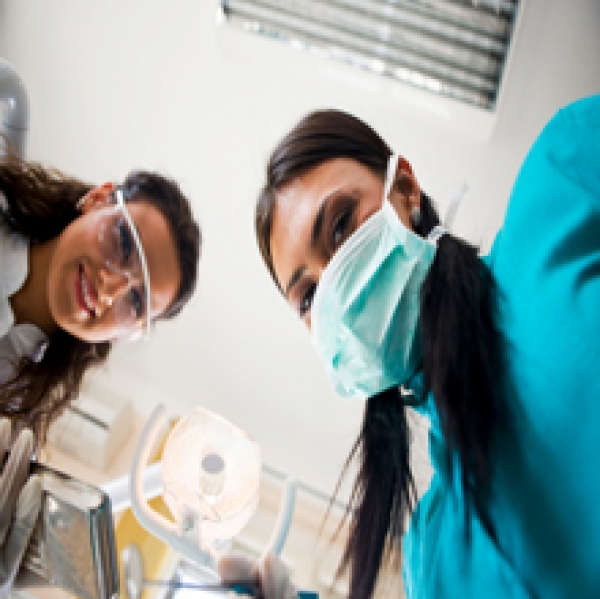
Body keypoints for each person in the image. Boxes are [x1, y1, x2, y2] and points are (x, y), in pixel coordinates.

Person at [220, 94, 600, 598]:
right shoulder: (431, 559)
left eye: (340, 226)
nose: (334, 288)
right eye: (308, 295)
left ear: (404, 189)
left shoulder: (563, 182)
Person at [0, 153, 201, 593]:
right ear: (97, 199)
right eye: (124, 242)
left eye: (136, 302)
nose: (111, 287)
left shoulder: (17, 415)